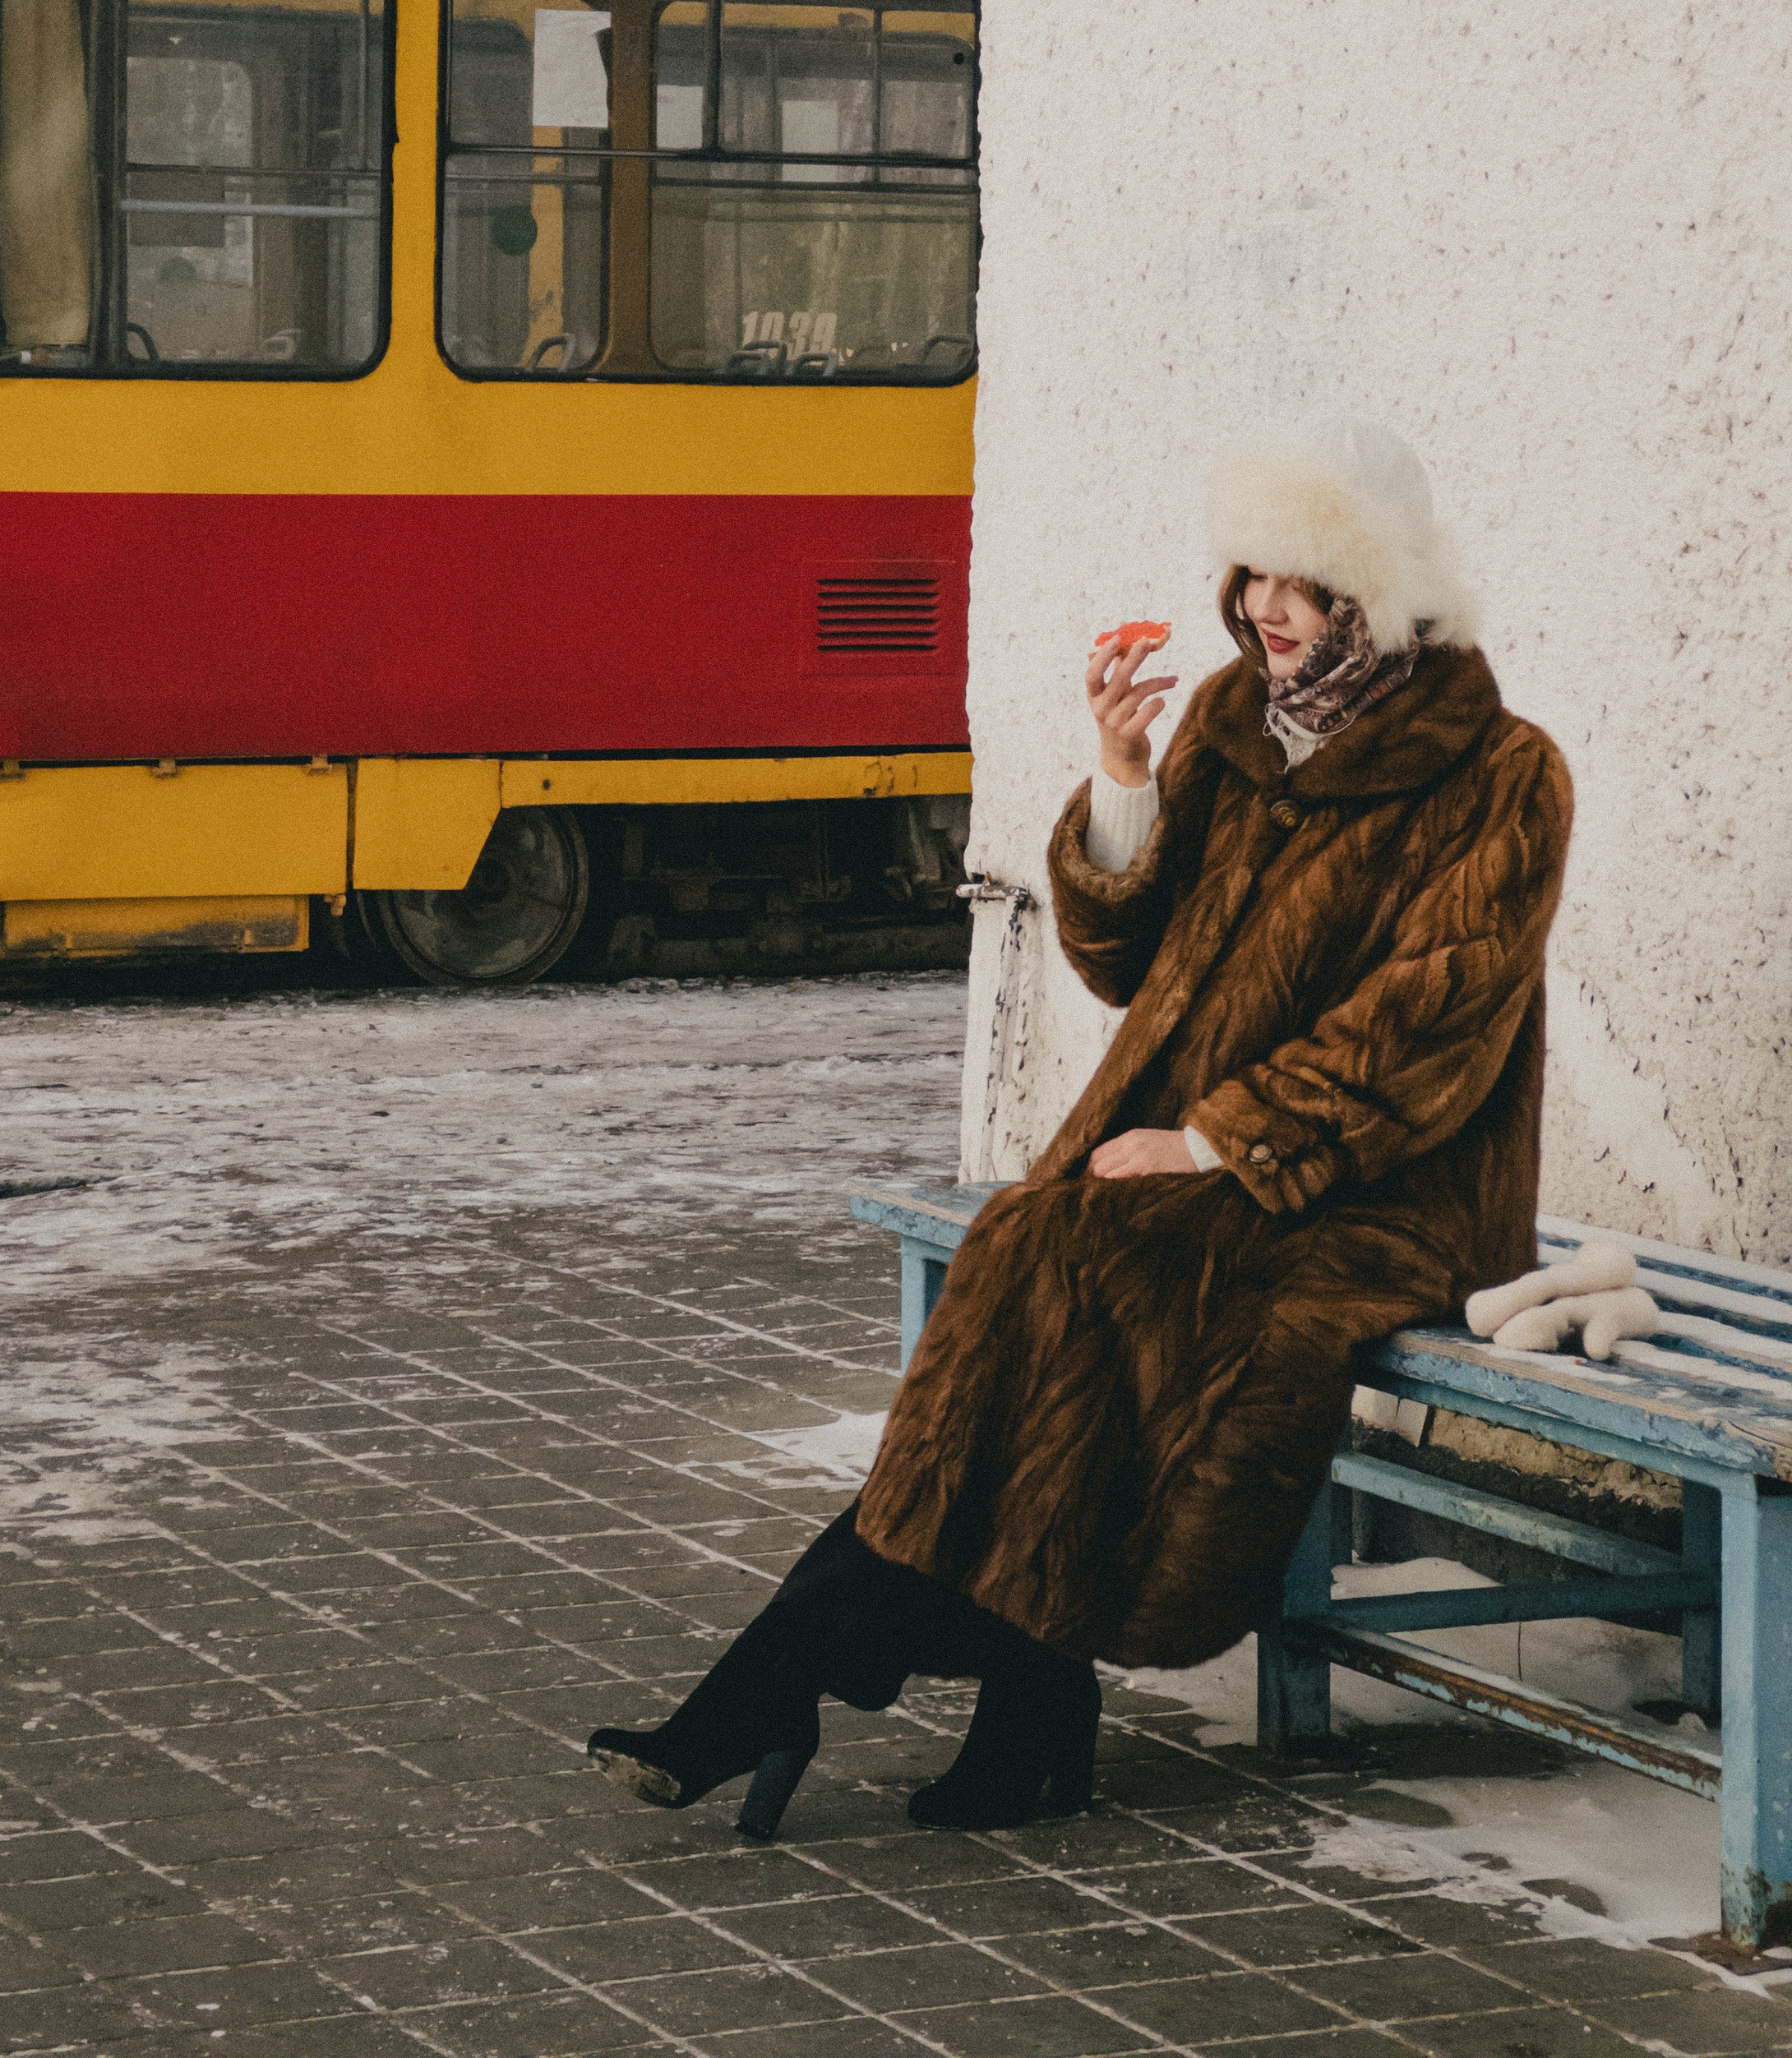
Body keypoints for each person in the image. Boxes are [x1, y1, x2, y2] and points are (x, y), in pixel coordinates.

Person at [588, 421, 1572, 1838]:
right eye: (1251, 577)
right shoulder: (1239, 728)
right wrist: (1125, 780)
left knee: (1086, 1266)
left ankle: (807, 1686)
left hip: (1389, 1187)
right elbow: (1134, 963)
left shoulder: (1500, 774)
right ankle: (996, 1712)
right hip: (1213, 1164)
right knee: (1028, 1251)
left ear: (1383, 595)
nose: (1262, 610)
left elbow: (1431, 1022)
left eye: (1301, 582)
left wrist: (1217, 1141)